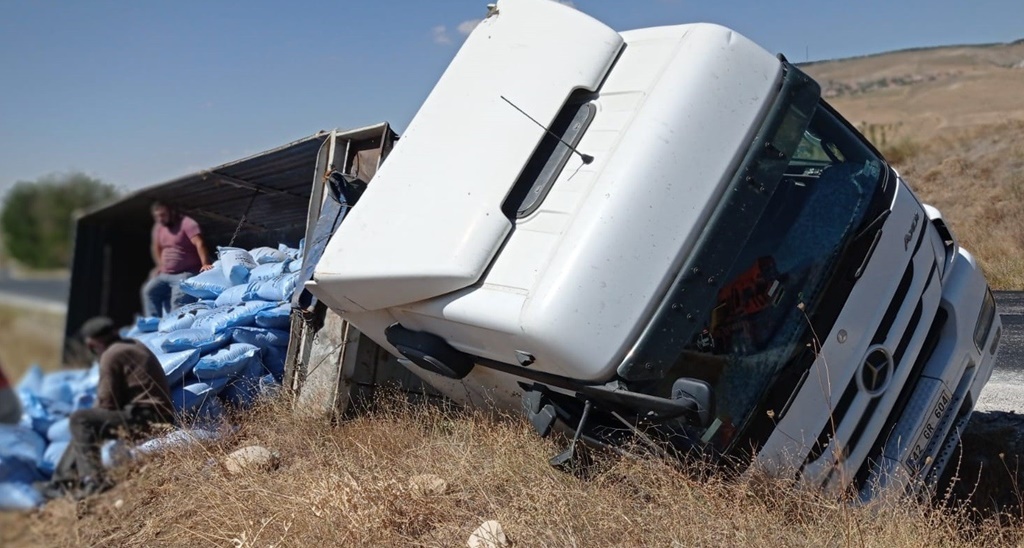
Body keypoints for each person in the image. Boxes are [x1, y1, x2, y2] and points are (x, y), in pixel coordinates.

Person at [47, 317, 175, 498]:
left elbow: (108, 404)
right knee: (83, 424)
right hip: (155, 415)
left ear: (93, 343)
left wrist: (94, 411)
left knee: (80, 419)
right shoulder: (134, 345)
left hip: (147, 418)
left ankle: (94, 481)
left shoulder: (111, 355)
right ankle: (62, 481)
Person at [141, 201, 214, 318]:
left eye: (163, 215)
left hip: (186, 273)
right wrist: (160, 265)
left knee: (177, 303)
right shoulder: (159, 227)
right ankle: (153, 325)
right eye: (157, 216)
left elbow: (199, 243)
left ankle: (178, 326)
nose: (160, 219)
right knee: (149, 291)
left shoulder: (187, 224)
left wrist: (205, 264)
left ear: (172, 212)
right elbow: (156, 247)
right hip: (165, 274)